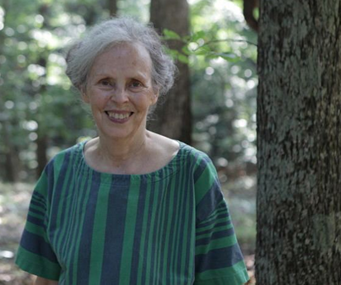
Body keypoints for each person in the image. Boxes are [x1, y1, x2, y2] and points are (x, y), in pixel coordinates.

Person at [15, 17, 250, 285]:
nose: (120, 97)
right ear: (84, 90)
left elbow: (223, 279)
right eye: (105, 82)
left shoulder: (192, 172)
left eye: (135, 84)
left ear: (155, 92)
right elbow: (46, 280)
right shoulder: (60, 173)